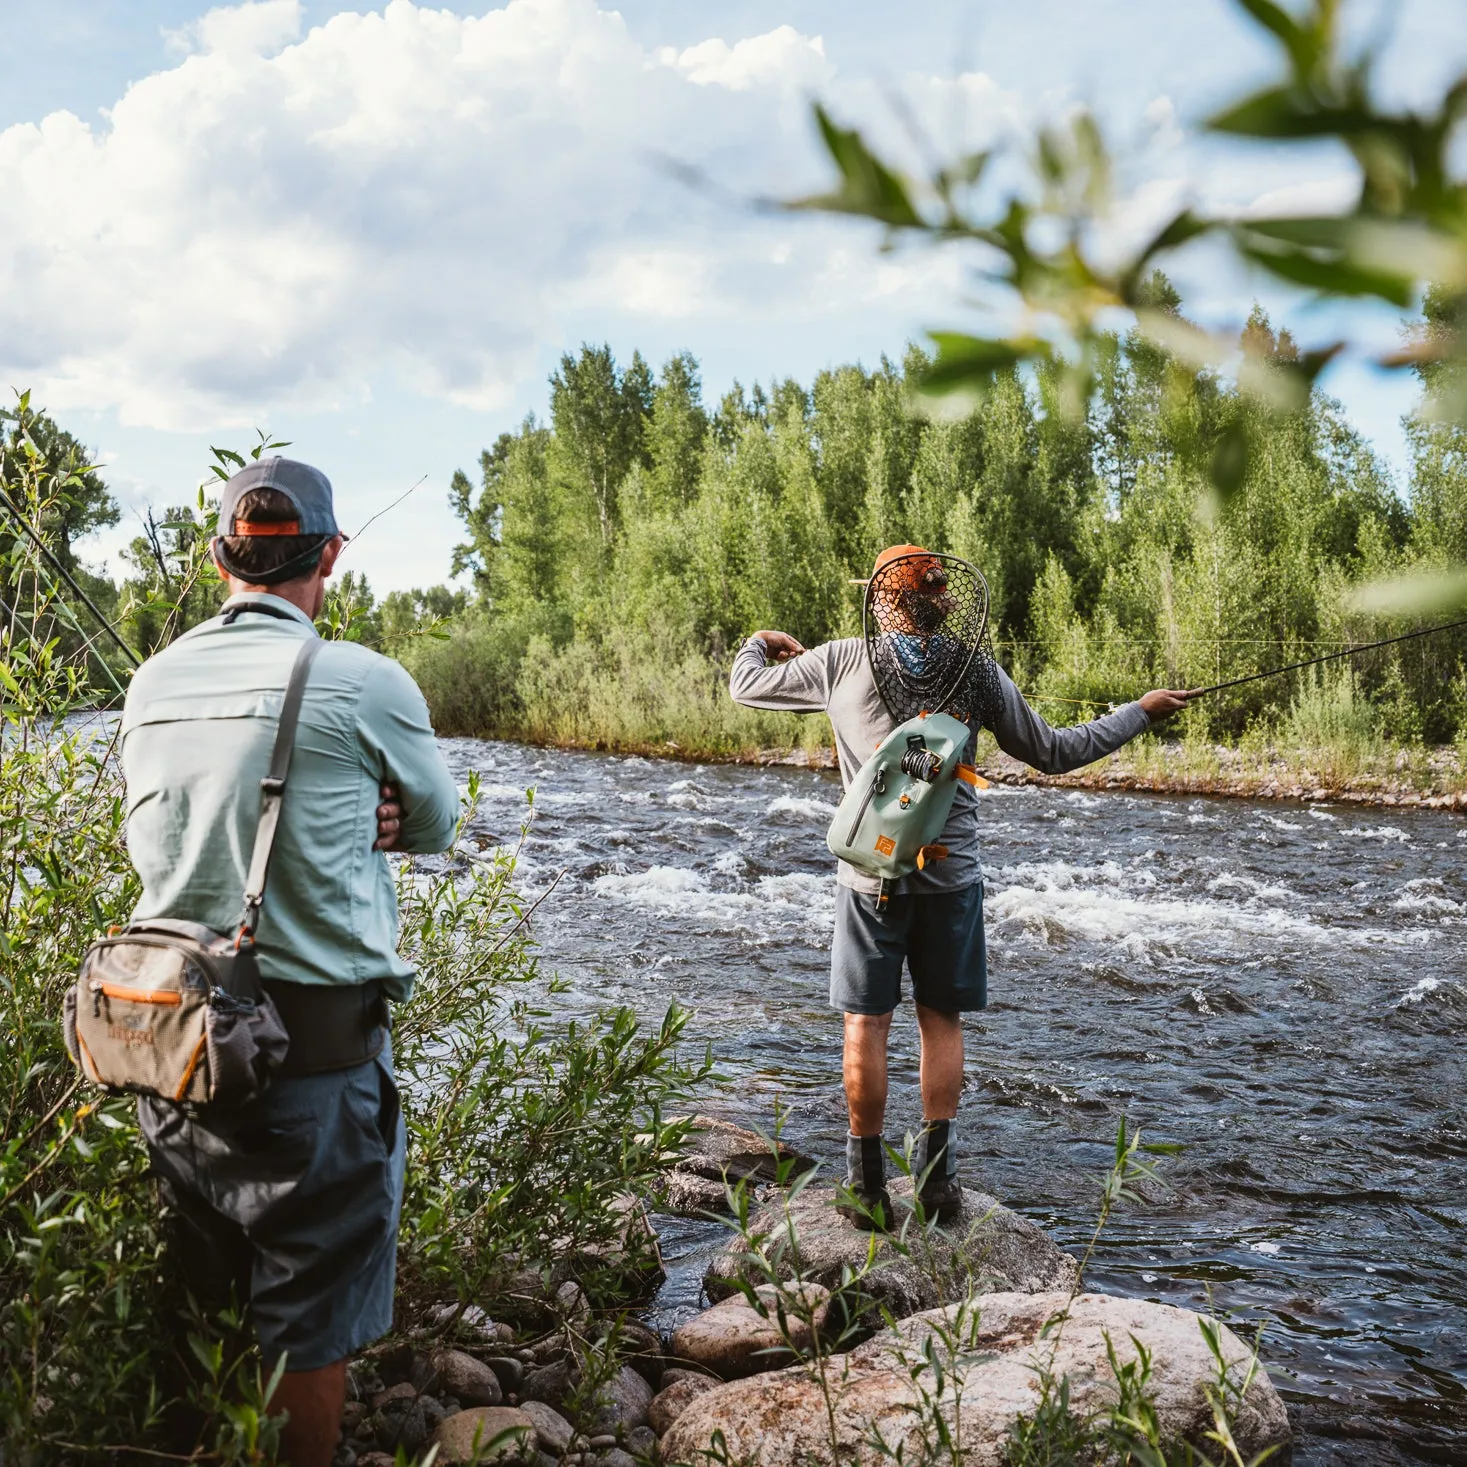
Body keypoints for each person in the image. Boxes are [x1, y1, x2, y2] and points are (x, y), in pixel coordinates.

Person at [119, 458, 461, 1467]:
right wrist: (377, 812)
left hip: (171, 1051)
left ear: (222, 557)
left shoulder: (150, 681)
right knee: (307, 1318)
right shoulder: (364, 680)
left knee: (201, 1293)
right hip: (314, 1069)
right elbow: (435, 821)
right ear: (332, 557)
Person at [729, 544, 1195, 1229]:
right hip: (952, 878)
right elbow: (1056, 752)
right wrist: (1141, 710)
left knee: (865, 1023)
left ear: (882, 601)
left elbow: (745, 685)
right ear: (946, 601)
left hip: (869, 875)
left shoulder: (840, 660)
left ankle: (864, 1187)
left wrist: (759, 642)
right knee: (939, 1019)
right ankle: (938, 1185)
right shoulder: (977, 670)